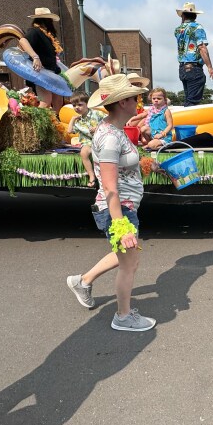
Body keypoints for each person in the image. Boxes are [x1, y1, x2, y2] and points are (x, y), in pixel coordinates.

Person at [66, 74, 156, 332]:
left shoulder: (116, 130)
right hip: (119, 209)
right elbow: (109, 187)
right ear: (123, 102)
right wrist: (121, 225)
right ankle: (123, 316)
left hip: (126, 206)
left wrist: (148, 165)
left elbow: (122, 168)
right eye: (135, 97)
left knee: (125, 257)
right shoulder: (109, 137)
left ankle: (82, 281)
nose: (139, 101)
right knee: (130, 263)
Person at [18, 7, 65, 113]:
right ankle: (36, 126)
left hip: (52, 72)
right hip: (41, 73)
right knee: (46, 100)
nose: (52, 22)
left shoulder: (48, 35)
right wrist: (35, 57)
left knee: (58, 100)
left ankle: (55, 124)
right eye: (50, 20)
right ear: (46, 20)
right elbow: (23, 40)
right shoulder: (35, 31)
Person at [174, 2, 213, 106]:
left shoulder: (178, 30)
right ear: (195, 15)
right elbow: (202, 47)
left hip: (183, 68)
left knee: (189, 99)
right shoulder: (197, 28)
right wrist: (210, 67)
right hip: (194, 67)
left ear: (183, 15)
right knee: (193, 102)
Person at [67, 93, 104, 187]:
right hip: (88, 142)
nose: (76, 107)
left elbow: (110, 122)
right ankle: (92, 176)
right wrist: (72, 119)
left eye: (80, 105)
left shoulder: (97, 113)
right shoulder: (78, 121)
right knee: (83, 152)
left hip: (102, 139)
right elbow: (69, 131)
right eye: (74, 105)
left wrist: (98, 127)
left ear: (87, 104)